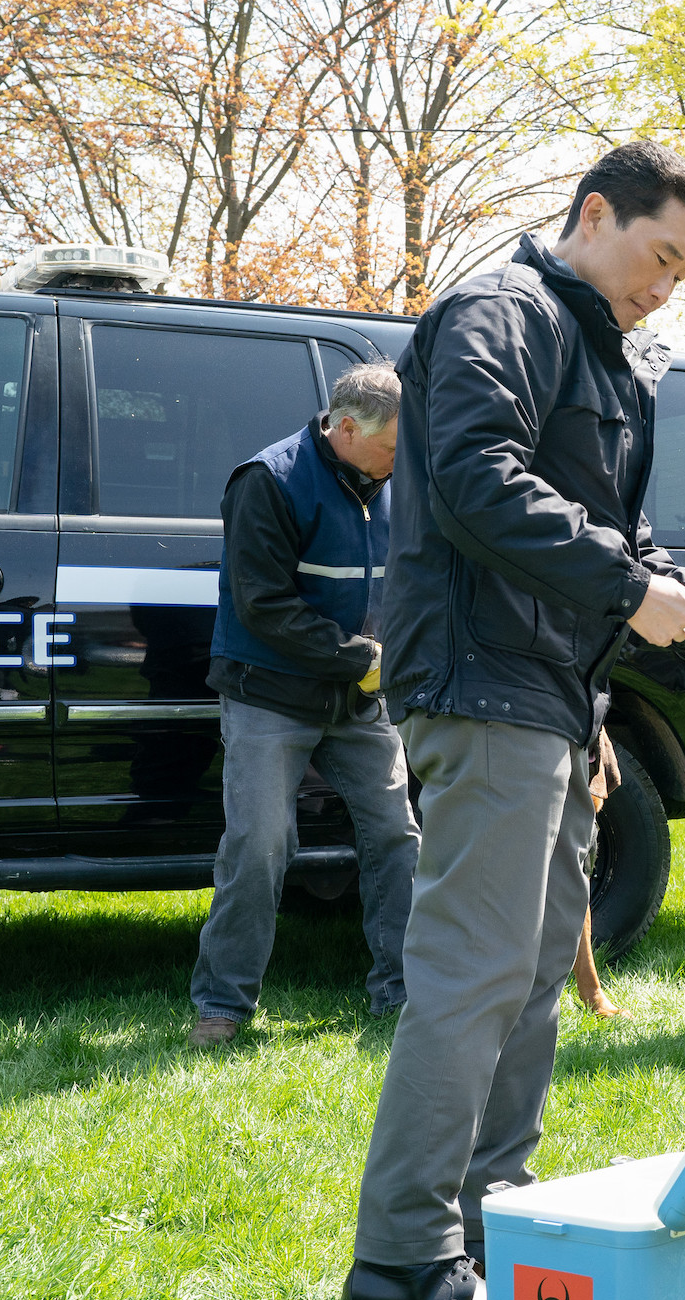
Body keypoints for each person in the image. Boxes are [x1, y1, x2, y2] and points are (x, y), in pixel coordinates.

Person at [336, 141, 685, 1300]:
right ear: (592, 214)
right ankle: (402, 1256)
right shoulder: (497, 311)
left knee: (530, 976)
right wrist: (635, 590)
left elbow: (599, 528)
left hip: (560, 698)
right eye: (659, 255)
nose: (668, 285)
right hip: (482, 683)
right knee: (472, 975)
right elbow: (478, 481)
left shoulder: (599, 347)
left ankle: (488, 1215)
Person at [188, 363, 417, 1050]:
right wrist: (365, 658)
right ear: (345, 429)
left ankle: (404, 994)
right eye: (391, 448)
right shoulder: (268, 481)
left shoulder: (395, 479)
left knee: (398, 837)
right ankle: (222, 1006)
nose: (401, 462)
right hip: (270, 692)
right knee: (260, 845)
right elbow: (263, 606)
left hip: (358, 701)